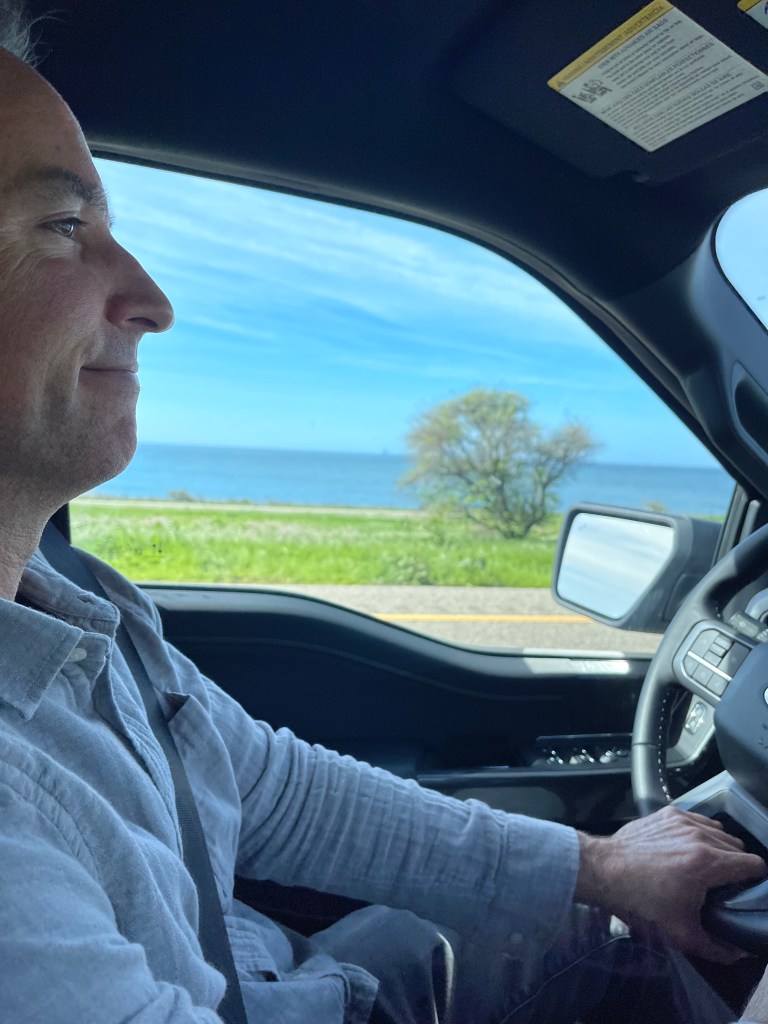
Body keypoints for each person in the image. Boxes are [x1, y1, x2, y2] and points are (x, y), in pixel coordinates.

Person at [0, 3, 767, 1021]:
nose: (152, 299)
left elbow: (264, 787)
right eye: (63, 227)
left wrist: (604, 866)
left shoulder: (76, 601)